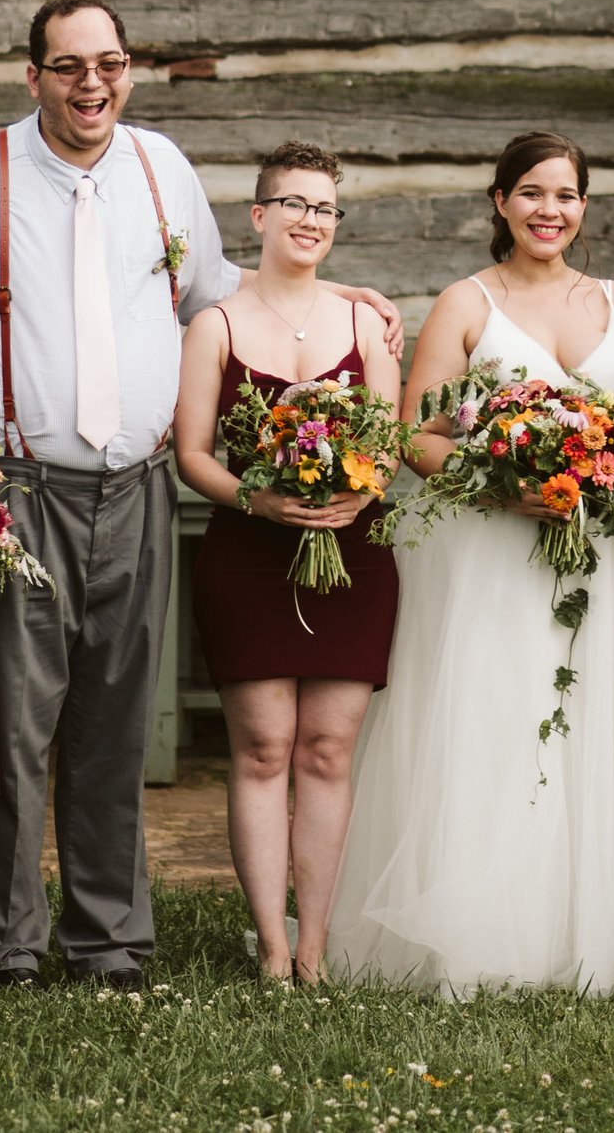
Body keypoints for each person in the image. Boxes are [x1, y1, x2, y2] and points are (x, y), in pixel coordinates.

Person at [0, 0, 404, 990]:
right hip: (15, 485)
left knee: (113, 720)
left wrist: (338, 294)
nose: (91, 83)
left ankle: (109, 941)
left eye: (108, 62)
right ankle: (5, 943)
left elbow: (214, 292)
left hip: (141, 484)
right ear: (33, 76)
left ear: (126, 70)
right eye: (68, 65)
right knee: (19, 723)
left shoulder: (162, 167)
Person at [327, 128, 614, 995]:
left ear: (585, 206)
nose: (551, 210)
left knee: (596, 731)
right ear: (500, 202)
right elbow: (410, 436)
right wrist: (500, 484)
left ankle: (593, 934)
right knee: (498, 725)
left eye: (567, 194)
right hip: (494, 553)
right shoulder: (469, 303)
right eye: (533, 193)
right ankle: (485, 937)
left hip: (602, 561)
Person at [174, 137, 400, 987]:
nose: (312, 221)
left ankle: (317, 945)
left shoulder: (365, 325)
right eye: (296, 205)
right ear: (260, 215)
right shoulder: (217, 325)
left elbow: (387, 440)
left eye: (326, 208)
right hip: (249, 554)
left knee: (328, 753)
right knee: (265, 748)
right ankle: (271, 946)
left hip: (355, 555)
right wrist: (259, 500)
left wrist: (361, 488)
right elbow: (191, 454)